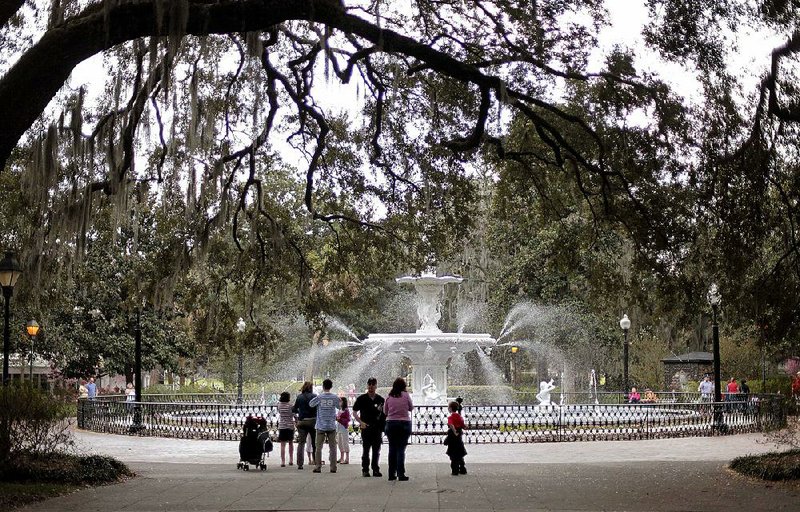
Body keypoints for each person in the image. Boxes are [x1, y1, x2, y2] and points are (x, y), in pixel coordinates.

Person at [353, 377, 385, 478]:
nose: (371, 386)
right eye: (369, 384)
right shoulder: (361, 399)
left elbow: (384, 413)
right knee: (366, 449)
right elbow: (354, 412)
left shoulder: (380, 399)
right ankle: (365, 469)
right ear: (367, 386)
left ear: (376, 386)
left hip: (377, 428)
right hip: (366, 427)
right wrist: (360, 422)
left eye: (373, 384)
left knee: (376, 450)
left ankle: (375, 469)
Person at [383, 377, 413, 481]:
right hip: (404, 424)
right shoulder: (405, 395)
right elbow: (411, 407)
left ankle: (391, 474)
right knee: (401, 449)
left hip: (391, 424)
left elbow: (385, 411)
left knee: (392, 449)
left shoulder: (389, 396)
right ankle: (401, 474)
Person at [310, 378, 339, 473]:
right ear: (331, 387)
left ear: (323, 386)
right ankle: (333, 467)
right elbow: (340, 406)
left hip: (320, 425)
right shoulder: (334, 397)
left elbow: (311, 404)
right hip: (331, 425)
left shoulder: (319, 397)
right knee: (333, 447)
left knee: (318, 447)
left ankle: (318, 466)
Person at [292, 381, 317, 470]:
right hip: (313, 421)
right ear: (311, 388)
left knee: (301, 443)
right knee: (315, 443)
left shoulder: (299, 397)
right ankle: (316, 462)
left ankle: (300, 464)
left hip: (302, 422)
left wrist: (301, 411)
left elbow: (294, 409)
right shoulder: (314, 396)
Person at [445, 400, 467, 475]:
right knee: (459, 453)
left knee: (453, 453)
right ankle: (462, 468)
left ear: (450, 408)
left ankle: (455, 470)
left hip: (453, 436)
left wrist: (454, 431)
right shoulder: (459, 416)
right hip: (459, 435)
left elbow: (451, 425)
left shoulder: (451, 417)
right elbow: (463, 425)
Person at [277, 391, 295, 467]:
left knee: (282, 445)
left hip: (282, 426)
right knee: (291, 443)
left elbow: (279, 412)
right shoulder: (290, 405)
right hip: (290, 426)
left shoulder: (279, 405)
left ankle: (283, 461)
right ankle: (291, 460)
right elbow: (293, 414)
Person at [336, 396, 351, 464]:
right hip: (339, 428)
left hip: (344, 428)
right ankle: (341, 457)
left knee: (345, 442)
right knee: (340, 443)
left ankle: (347, 458)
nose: (339, 402)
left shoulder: (346, 410)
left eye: (340, 401)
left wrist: (340, 419)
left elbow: (348, 419)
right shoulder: (340, 410)